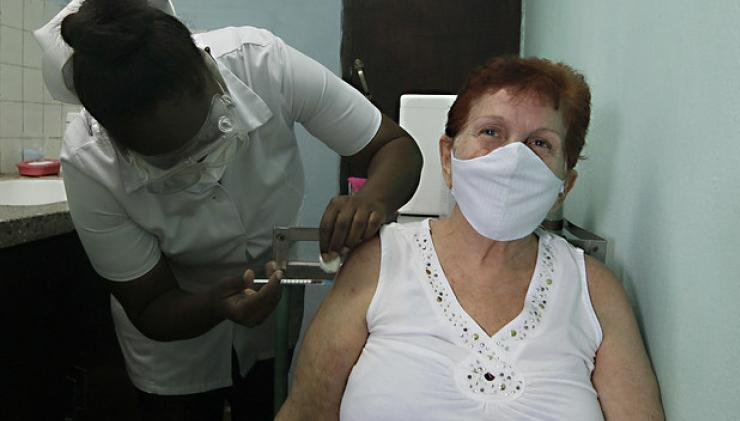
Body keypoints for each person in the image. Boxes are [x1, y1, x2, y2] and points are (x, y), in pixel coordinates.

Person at [34, 0, 422, 420]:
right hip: (174, 345)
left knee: (265, 402)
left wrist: (372, 200)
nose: (203, 158)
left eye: (206, 129)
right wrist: (216, 306)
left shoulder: (262, 62)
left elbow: (395, 147)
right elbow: (150, 305)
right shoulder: (88, 162)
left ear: (206, 71)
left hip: (271, 325)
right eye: (173, 157)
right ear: (116, 141)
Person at [277, 56, 665, 420]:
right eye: (491, 132)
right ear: (448, 158)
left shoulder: (593, 290)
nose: (513, 159)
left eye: (540, 143)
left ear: (565, 185)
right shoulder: (379, 264)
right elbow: (307, 411)